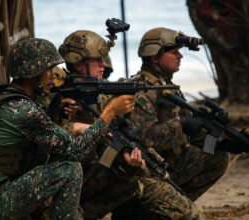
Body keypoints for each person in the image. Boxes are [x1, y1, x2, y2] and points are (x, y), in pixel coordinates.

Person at [0, 38, 136, 219]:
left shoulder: (3, 96)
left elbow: (39, 148)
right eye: (48, 70)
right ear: (33, 72)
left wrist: (54, 115)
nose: (53, 76)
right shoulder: (24, 110)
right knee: (70, 169)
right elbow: (76, 151)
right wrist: (110, 111)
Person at [58, 30, 201, 220]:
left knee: (135, 171)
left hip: (90, 177)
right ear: (77, 62)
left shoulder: (99, 96)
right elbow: (50, 145)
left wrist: (127, 154)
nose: (104, 64)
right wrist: (107, 112)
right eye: (97, 60)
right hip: (65, 184)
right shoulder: (57, 97)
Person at [112, 27, 238, 219]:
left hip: (167, 166)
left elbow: (195, 136)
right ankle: (139, 211)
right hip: (144, 176)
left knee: (219, 157)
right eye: (173, 52)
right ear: (155, 57)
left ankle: (162, 210)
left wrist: (221, 142)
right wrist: (183, 124)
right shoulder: (142, 90)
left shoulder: (168, 89)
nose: (180, 56)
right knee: (191, 216)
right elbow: (144, 139)